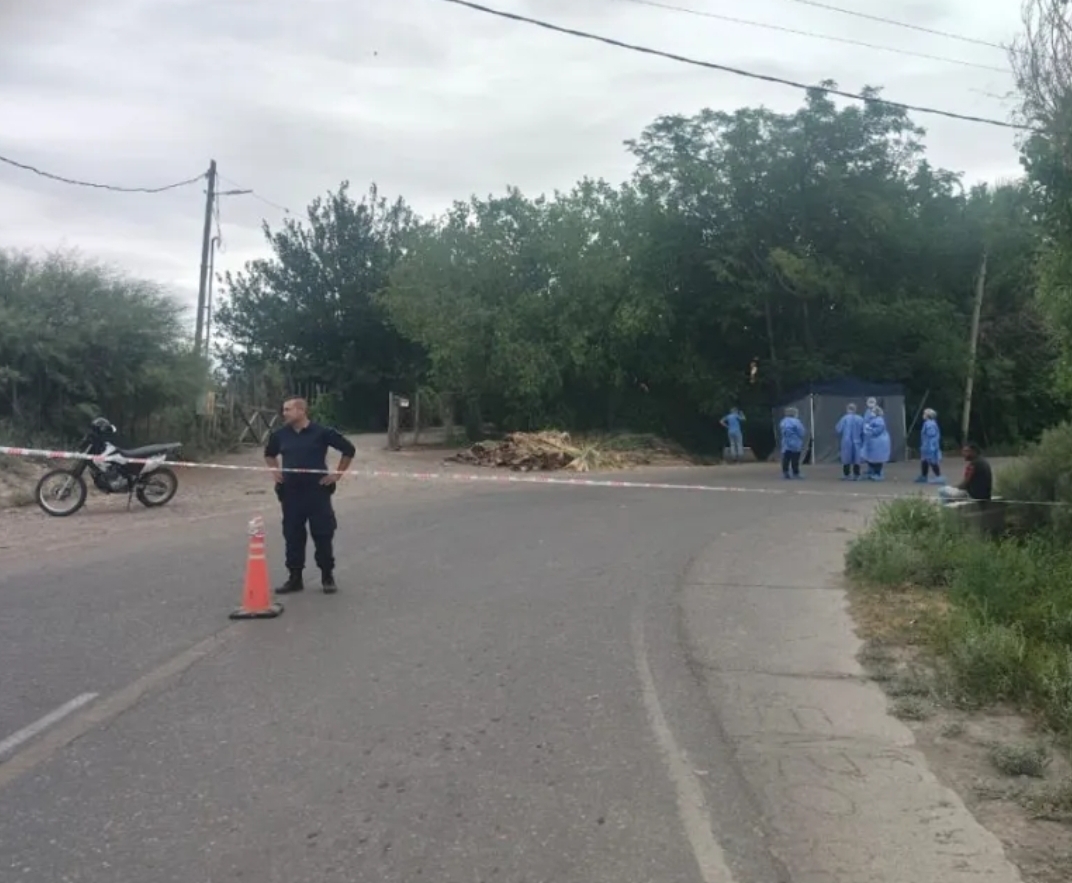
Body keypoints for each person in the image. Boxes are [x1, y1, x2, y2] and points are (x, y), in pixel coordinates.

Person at [264, 396, 356, 594]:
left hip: (317, 492)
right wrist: (275, 471)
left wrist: (337, 475)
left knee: (323, 534)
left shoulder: (322, 433)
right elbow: (269, 454)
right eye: (284, 409)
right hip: (290, 493)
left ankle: (327, 576)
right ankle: (295, 578)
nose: (284, 413)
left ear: (301, 411)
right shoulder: (280, 435)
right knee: (292, 535)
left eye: (288, 409)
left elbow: (349, 450)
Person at [834, 403, 864, 480]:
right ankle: (856, 474)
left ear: (847, 409)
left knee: (846, 458)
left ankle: (846, 475)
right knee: (857, 458)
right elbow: (864, 431)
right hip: (857, 441)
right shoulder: (860, 419)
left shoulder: (844, 418)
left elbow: (838, 429)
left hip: (846, 441)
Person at [862, 405, 891, 481]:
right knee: (871, 458)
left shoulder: (879, 420)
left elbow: (877, 431)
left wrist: (869, 429)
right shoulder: (874, 420)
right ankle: (873, 472)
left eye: (873, 412)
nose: (871, 413)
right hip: (874, 443)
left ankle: (878, 474)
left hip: (879, 443)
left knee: (878, 459)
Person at [778, 406, 807, 480]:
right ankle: (795, 473)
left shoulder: (783, 421)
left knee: (786, 458)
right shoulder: (796, 421)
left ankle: (785, 472)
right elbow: (801, 432)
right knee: (795, 459)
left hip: (786, 443)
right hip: (795, 443)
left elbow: (782, 431)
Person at [916, 408, 944, 484]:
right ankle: (924, 476)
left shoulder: (929, 424)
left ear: (928, 415)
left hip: (930, 446)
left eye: (924, 414)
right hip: (926, 446)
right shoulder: (929, 423)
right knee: (924, 461)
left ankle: (939, 476)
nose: (923, 415)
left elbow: (931, 435)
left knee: (932, 461)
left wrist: (931, 446)